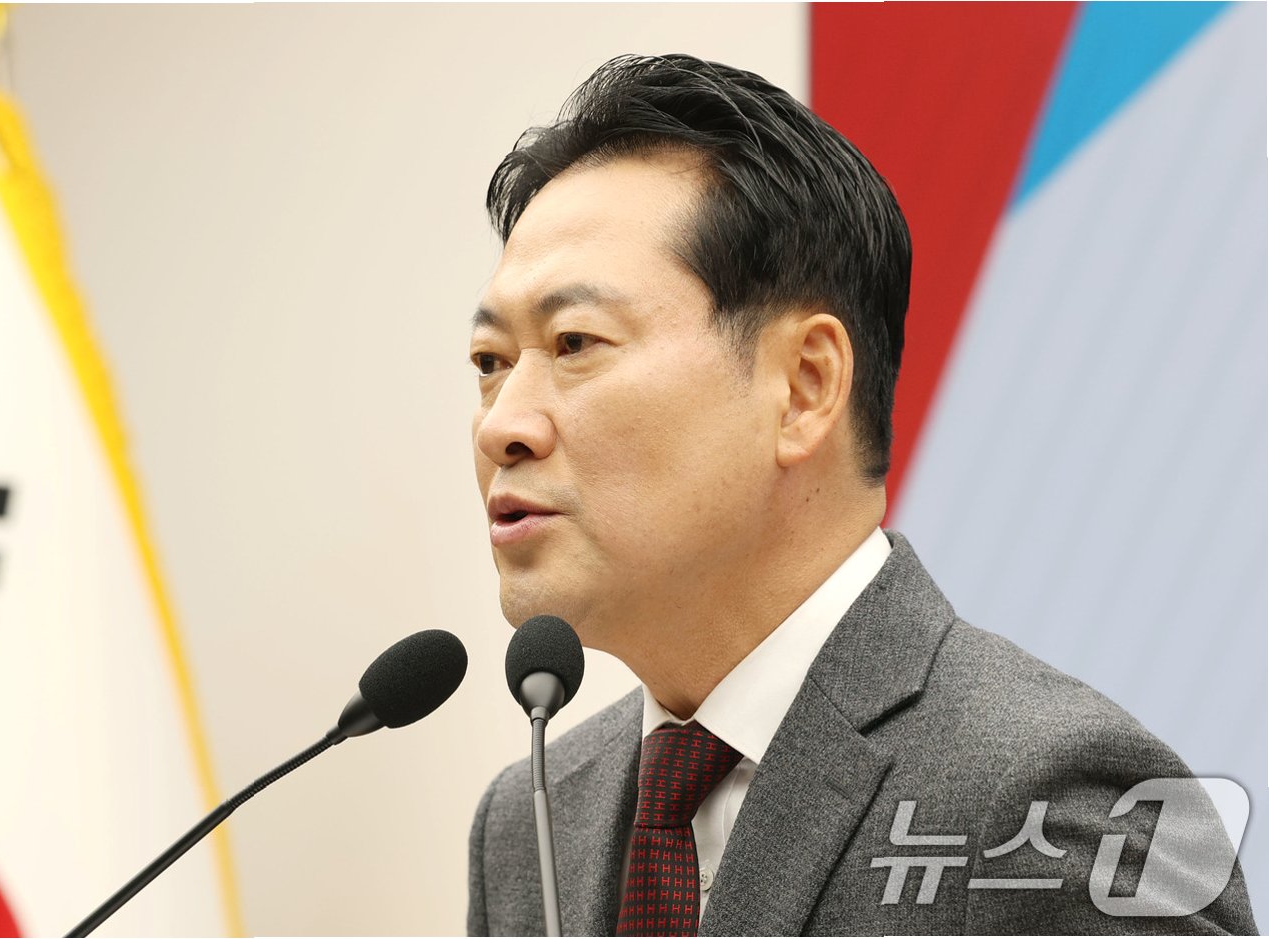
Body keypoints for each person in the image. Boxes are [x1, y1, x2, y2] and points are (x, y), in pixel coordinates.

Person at [464, 54, 1255, 936]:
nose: (503, 425)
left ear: (805, 387)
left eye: (575, 342)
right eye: (491, 362)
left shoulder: (1056, 799)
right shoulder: (528, 821)